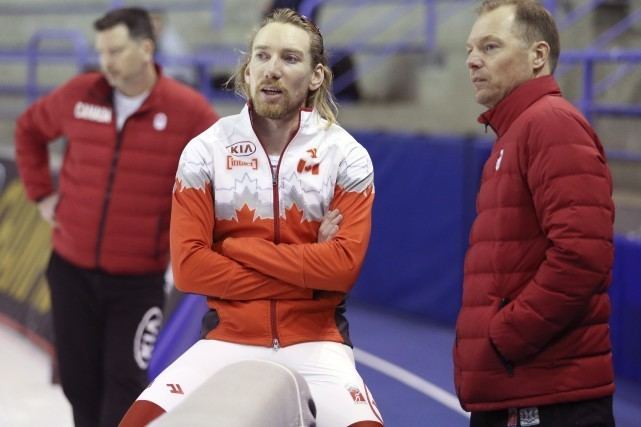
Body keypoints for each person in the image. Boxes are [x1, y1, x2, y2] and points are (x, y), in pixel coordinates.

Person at [119, 8, 383, 427]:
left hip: (318, 343)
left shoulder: (346, 156)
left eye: (289, 59)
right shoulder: (204, 152)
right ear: (247, 70)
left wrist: (236, 248)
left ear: (316, 76)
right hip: (227, 339)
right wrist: (306, 271)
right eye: (262, 56)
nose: (272, 70)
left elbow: (340, 271)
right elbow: (189, 270)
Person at [14, 7, 218, 427]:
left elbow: (225, 170)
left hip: (137, 285)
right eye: (101, 51)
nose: (105, 61)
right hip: (70, 272)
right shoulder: (79, 94)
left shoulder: (188, 111)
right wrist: (40, 194)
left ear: (145, 48)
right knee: (77, 382)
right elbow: (29, 130)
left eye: (115, 50)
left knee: (124, 384)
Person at [454, 1, 615, 426]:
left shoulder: (551, 125)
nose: (473, 60)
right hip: (520, 388)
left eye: (490, 47)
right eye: (470, 49)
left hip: (546, 394)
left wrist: (506, 338)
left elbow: (582, 257)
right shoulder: (517, 130)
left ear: (538, 56)